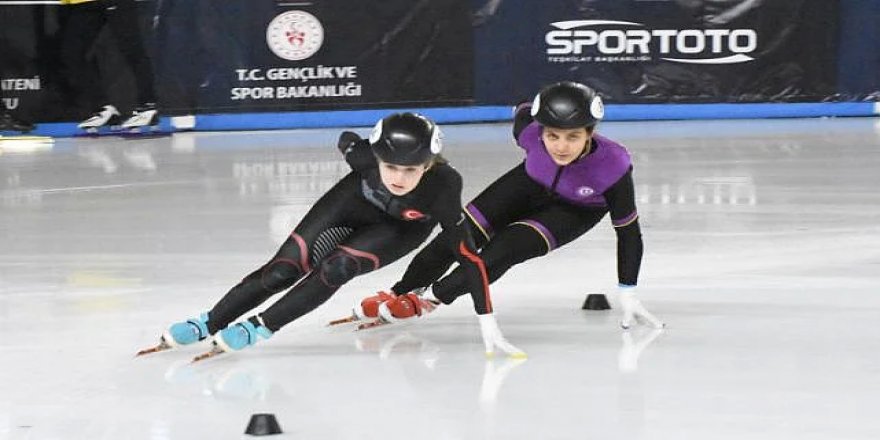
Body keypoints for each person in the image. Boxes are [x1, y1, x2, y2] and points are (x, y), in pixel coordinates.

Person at [139, 113, 524, 359]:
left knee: (338, 267)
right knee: (282, 270)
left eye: (412, 169)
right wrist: (352, 145)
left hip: (399, 230)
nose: (399, 178)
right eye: (390, 166)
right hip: (351, 204)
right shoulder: (364, 158)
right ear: (376, 156)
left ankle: (260, 327)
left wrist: (485, 319)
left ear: (430, 164)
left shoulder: (443, 186)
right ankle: (209, 321)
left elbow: (468, 255)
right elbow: (347, 140)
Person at [362, 81, 664, 330]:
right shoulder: (529, 132)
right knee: (456, 238)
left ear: (590, 132)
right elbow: (522, 107)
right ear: (540, 129)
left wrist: (628, 291)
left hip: (575, 209)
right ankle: (400, 290)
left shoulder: (613, 165)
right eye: (553, 135)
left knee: (505, 249)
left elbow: (628, 232)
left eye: (573, 137)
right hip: (527, 185)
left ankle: (429, 300)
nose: (561, 146)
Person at [59, 0, 159, 130]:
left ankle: (148, 106)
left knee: (131, 48)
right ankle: (104, 110)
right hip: (82, 3)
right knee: (72, 53)